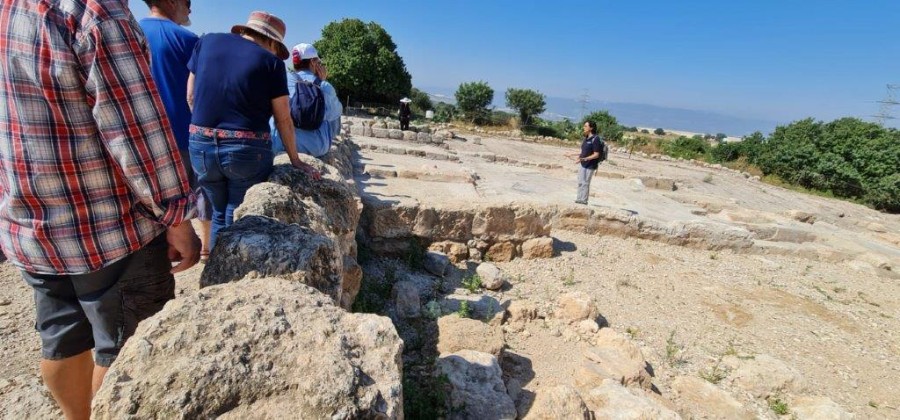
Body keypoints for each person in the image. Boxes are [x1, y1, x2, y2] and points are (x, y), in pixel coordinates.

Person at [0, 1, 200, 418]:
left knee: (61, 338)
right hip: (107, 227)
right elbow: (136, 132)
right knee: (128, 350)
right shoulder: (94, 11)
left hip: (32, 220)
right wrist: (177, 217)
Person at [187, 11, 320, 249]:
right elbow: (283, 118)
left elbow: (191, 96)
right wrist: (295, 159)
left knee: (218, 211)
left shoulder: (206, 42)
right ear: (271, 41)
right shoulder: (272, 63)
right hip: (245, 152)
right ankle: (228, 277)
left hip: (201, 146)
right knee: (237, 214)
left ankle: (214, 271)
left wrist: (206, 132)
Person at [139, 0, 214, 262]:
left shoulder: (129, 32)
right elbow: (204, 93)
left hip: (133, 141)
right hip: (180, 138)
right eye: (187, 2)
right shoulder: (190, 41)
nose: (191, 8)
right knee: (192, 198)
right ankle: (200, 248)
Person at [272, 43, 343, 159]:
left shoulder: (282, 79)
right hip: (316, 147)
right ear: (313, 62)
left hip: (281, 143)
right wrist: (320, 84)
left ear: (295, 62)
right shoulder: (324, 85)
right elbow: (336, 112)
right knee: (332, 109)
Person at [567, 121, 604, 204]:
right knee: (580, 182)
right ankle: (579, 199)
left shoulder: (595, 139)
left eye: (585, 126)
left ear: (591, 128)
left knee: (585, 183)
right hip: (583, 164)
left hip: (590, 165)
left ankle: (583, 200)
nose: (583, 127)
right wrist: (571, 154)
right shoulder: (586, 138)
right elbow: (583, 152)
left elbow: (596, 155)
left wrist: (583, 159)